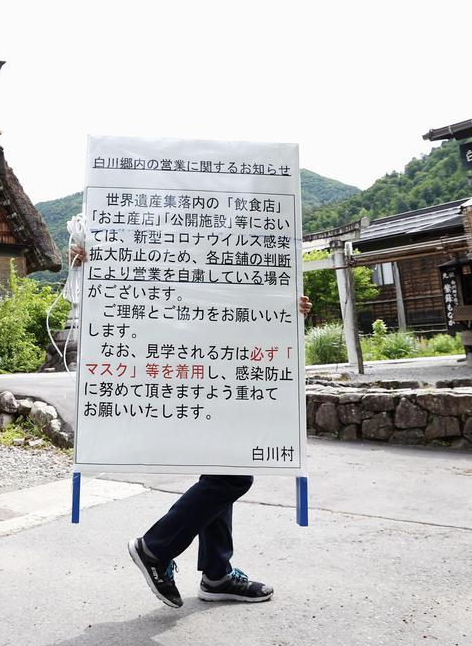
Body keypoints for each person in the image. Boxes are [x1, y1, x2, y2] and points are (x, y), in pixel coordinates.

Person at [70, 245, 312, 608]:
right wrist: (99, 257)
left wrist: (287, 308)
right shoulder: (188, 234)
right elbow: (157, 270)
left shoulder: (233, 241)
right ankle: (156, 547)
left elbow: (241, 295)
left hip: (229, 372)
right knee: (232, 477)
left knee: (226, 469)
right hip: (199, 370)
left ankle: (217, 573)